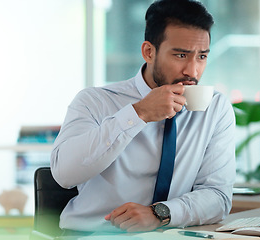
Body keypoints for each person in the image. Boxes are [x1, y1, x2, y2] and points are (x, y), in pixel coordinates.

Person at [50, 0, 236, 234]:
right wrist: (138, 114)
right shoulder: (95, 101)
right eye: (181, 55)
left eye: (202, 57)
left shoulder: (215, 108)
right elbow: (64, 174)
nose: (193, 71)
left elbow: (218, 197)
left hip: (172, 235)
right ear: (149, 51)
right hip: (94, 235)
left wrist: (160, 214)